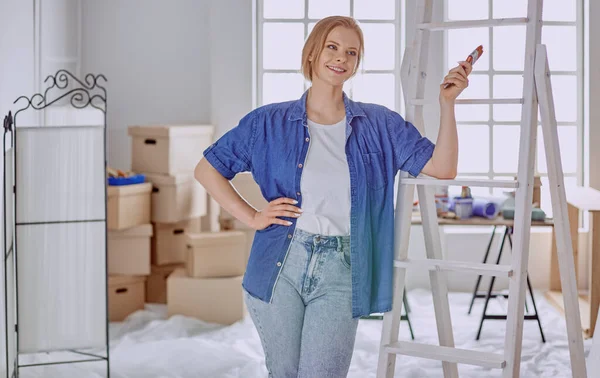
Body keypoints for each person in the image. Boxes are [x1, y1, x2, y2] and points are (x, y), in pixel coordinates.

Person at [195, 15, 470, 378]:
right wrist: (252, 216)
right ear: (312, 53)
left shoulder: (379, 124)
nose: (341, 58)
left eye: (351, 52)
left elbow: (443, 167)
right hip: (281, 264)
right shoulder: (268, 122)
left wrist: (447, 104)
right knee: (285, 373)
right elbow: (206, 170)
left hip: (344, 268)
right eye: (333, 47)